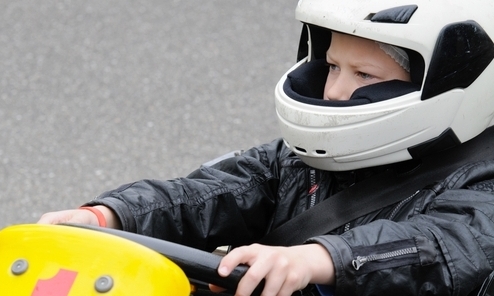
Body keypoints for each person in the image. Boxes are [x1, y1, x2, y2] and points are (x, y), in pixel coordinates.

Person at [38, 0, 494, 295]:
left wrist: (317, 259)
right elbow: (212, 193)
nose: (334, 91)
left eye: (364, 76)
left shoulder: (481, 186)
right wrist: (109, 216)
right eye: (332, 66)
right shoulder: (304, 161)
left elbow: (437, 247)